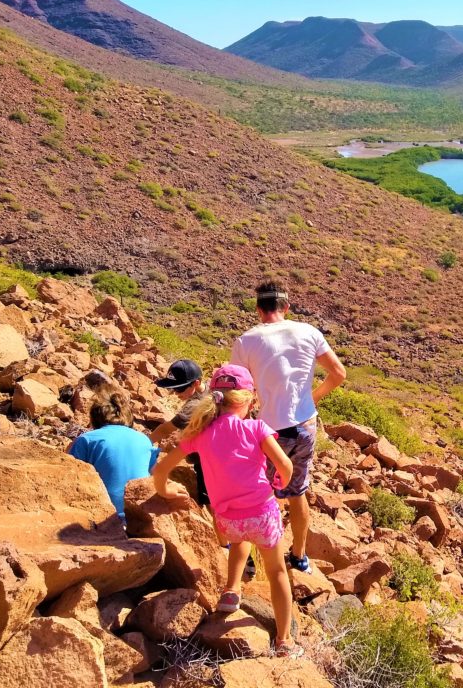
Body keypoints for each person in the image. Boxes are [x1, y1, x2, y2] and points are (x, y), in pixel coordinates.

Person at [151, 364, 297, 655]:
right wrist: (279, 482)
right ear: (248, 399)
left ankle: (231, 591)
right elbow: (286, 466)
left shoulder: (200, 433)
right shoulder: (257, 428)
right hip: (262, 515)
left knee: (240, 540)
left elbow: (162, 469)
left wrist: (164, 490)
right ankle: (284, 642)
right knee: (277, 571)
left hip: (227, 522)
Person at [231, 280, 346, 573]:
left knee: (263, 493)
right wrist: (311, 398)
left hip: (270, 431)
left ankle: (256, 560)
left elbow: (238, 391)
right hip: (305, 426)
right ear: (286, 308)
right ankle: (299, 557)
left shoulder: (246, 341)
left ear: (258, 310)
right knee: (297, 493)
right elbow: (338, 373)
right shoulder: (309, 332)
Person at [69, 389, 159, 522]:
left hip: (102, 519)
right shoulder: (144, 440)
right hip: (139, 519)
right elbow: (154, 477)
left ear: (94, 417)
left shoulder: (87, 440)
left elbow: (71, 482)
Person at [151, 359, 208, 505]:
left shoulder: (194, 406)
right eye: (173, 388)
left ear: (196, 383)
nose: (176, 393)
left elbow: (165, 429)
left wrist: (146, 442)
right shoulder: (212, 389)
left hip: (207, 459)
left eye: (179, 389)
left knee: (207, 495)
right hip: (221, 451)